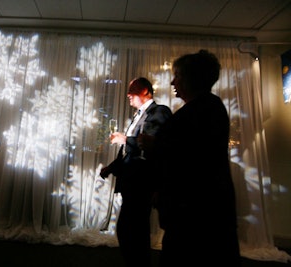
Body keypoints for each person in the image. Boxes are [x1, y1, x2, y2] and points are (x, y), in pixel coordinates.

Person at [154, 50, 241, 266]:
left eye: (178, 76)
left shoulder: (201, 111)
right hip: (200, 211)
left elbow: (189, 159)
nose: (173, 81)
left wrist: (157, 145)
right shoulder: (209, 107)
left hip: (195, 215)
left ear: (193, 78)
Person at [100, 77, 172, 267]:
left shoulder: (159, 111)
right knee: (129, 229)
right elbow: (129, 153)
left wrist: (125, 139)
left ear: (146, 91)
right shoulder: (137, 115)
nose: (128, 94)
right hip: (131, 182)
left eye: (133, 90)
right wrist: (111, 167)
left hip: (143, 182)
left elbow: (152, 143)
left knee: (132, 230)